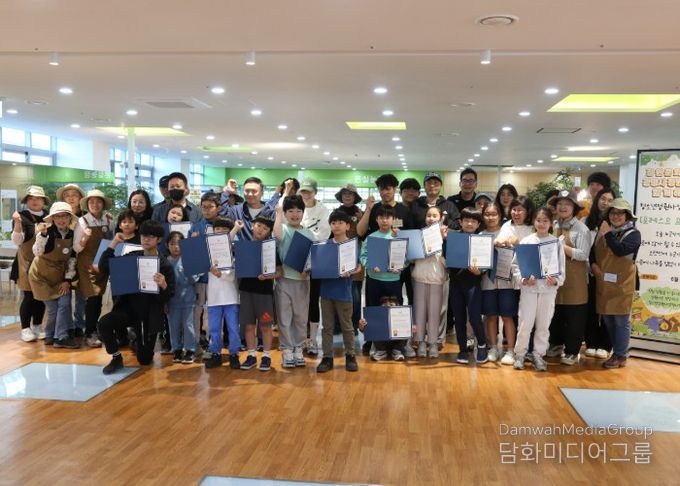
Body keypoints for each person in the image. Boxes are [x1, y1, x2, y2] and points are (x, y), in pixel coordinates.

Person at [98, 220, 175, 374]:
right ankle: (116, 357)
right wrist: (113, 243)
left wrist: (164, 285)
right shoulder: (132, 257)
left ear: (159, 239)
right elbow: (104, 266)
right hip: (128, 310)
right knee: (104, 323)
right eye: (143, 236)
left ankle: (136, 341)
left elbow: (168, 295)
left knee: (144, 359)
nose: (146, 239)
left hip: (149, 315)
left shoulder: (164, 265)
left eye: (151, 237)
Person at [513, 208, 566, 372]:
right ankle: (520, 354)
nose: (541, 224)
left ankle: (538, 354)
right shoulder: (526, 241)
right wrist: (523, 279)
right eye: (538, 220)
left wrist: (555, 280)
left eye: (545, 221)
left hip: (548, 290)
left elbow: (562, 270)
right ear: (533, 222)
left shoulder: (556, 243)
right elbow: (516, 266)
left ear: (551, 223)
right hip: (529, 289)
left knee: (543, 325)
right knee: (525, 323)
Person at [590, 199, 641, 369]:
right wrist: (593, 265)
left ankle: (620, 354)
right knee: (608, 320)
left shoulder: (634, 234)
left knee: (621, 321)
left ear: (627, 216)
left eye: (620, 213)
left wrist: (607, 234)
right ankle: (617, 353)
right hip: (604, 283)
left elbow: (620, 250)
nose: (616, 216)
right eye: (613, 213)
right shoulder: (604, 231)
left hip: (623, 285)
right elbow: (593, 252)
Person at [546, 190, 592, 366]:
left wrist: (561, 247)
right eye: (560, 204)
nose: (563, 207)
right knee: (555, 314)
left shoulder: (581, 229)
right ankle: (556, 344)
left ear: (574, 208)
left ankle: (572, 351)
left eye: (567, 204)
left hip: (574, 281)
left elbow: (583, 254)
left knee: (574, 318)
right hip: (554, 279)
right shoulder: (552, 225)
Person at [28, 202, 79, 348]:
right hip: (40, 276)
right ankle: (54, 336)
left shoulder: (72, 234)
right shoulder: (46, 232)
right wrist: (42, 235)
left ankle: (55, 336)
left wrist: (67, 280)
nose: (61, 219)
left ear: (70, 218)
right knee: (53, 309)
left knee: (64, 302)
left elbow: (72, 259)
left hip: (59, 277)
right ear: (53, 218)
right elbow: (37, 252)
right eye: (58, 216)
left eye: (64, 216)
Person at [316, 210, 362, 372]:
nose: (336, 226)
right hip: (326, 292)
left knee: (347, 326)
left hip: (344, 291)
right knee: (327, 327)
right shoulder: (324, 245)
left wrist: (352, 271)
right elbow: (319, 266)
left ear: (348, 226)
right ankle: (327, 358)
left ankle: (350, 355)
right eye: (333, 223)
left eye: (340, 223)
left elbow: (358, 266)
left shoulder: (352, 245)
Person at [360, 206, 406, 361]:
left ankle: (397, 348)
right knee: (374, 312)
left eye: (388, 217)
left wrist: (401, 267)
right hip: (374, 280)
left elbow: (406, 258)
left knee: (396, 313)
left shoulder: (398, 237)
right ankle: (378, 347)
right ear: (376, 220)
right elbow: (363, 256)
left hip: (393, 281)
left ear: (393, 220)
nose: (384, 220)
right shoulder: (371, 237)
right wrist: (370, 265)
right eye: (381, 217)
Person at [235, 216, 280, 371]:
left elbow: (280, 271)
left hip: (264, 293)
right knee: (248, 326)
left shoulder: (271, 249)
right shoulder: (243, 247)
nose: (261, 230)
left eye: (265, 228)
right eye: (259, 225)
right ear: (252, 226)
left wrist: (269, 275)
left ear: (269, 232)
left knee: (265, 326)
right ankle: (251, 355)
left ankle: (266, 356)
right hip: (246, 291)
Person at [274, 194, 314, 368]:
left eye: (298, 211)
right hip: (284, 280)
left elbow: (313, 257)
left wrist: (308, 269)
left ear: (303, 213)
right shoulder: (283, 228)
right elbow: (277, 236)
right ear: (285, 213)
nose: (295, 214)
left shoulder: (309, 233)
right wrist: (278, 214)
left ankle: (298, 347)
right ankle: (287, 349)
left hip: (303, 280)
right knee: (284, 317)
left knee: (300, 317)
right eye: (290, 211)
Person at [74, 189, 114, 348]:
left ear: (103, 204)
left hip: (102, 264)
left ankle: (94, 329)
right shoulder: (82, 222)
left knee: (98, 299)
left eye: (98, 201)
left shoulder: (108, 220)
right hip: (87, 265)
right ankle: (89, 332)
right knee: (92, 298)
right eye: (91, 202)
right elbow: (76, 248)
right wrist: (85, 238)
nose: (95, 205)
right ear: (87, 204)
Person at [449, 208, 488, 364]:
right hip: (455, 283)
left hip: (473, 283)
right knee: (459, 319)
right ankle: (462, 350)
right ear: (461, 222)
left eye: (473, 221)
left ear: (478, 224)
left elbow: (486, 263)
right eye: (466, 220)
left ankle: (482, 345)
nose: (469, 224)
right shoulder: (453, 238)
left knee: (475, 317)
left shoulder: (481, 240)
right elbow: (446, 257)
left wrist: (480, 271)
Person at [480, 202, 517, 365]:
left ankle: (511, 350)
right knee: (491, 316)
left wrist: (510, 243)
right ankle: (493, 347)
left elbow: (517, 248)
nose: (490, 217)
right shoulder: (480, 235)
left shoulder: (507, 231)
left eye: (494, 214)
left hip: (506, 281)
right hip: (487, 281)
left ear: (500, 216)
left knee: (507, 316)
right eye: (487, 214)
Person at [204, 218, 244, 369]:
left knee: (233, 328)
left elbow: (232, 275)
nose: (220, 232)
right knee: (214, 329)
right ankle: (215, 354)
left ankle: (234, 354)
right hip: (214, 298)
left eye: (224, 229)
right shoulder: (207, 251)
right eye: (217, 229)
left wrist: (220, 274)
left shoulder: (234, 252)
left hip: (231, 297)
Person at [11, 186, 49, 343]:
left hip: (45, 263)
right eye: (31, 198)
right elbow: (17, 241)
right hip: (26, 262)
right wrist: (17, 223)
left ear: (43, 201)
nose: (35, 201)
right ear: (26, 201)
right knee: (29, 296)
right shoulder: (21, 216)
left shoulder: (49, 217)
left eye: (38, 198)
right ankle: (25, 328)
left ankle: (38, 326)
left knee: (41, 296)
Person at [582, 188, 617, 359]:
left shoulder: (617, 223)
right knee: (591, 309)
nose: (606, 203)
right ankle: (591, 343)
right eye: (603, 199)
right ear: (597, 200)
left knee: (608, 309)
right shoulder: (586, 221)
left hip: (611, 274)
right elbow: (586, 248)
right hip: (590, 272)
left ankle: (605, 345)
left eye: (610, 200)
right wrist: (594, 266)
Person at [297, 178, 331, 356]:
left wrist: (304, 235)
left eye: (308, 191)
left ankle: (312, 339)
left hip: (317, 259)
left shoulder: (323, 210)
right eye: (303, 191)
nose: (305, 195)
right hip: (297, 258)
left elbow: (324, 234)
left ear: (315, 192)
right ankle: (300, 338)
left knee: (313, 299)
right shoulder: (296, 208)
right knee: (298, 300)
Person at [411, 206, 448, 359]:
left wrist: (444, 240)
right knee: (419, 312)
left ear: (440, 218)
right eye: (428, 215)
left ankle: (433, 342)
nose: (431, 218)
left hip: (436, 278)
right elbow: (411, 257)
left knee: (434, 313)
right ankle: (420, 341)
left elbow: (449, 258)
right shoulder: (418, 235)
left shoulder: (445, 235)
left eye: (434, 215)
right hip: (420, 276)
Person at [190, 191, 224, 354]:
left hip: (218, 277)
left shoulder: (224, 226)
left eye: (210, 207)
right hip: (200, 277)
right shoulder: (196, 227)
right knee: (196, 310)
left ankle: (214, 344)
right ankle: (194, 343)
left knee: (214, 312)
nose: (207, 210)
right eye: (203, 207)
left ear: (218, 208)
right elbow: (190, 252)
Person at [56, 183, 87, 337]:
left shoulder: (86, 217)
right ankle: (66, 327)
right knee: (64, 296)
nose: (71, 198)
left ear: (80, 198)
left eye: (74, 195)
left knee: (82, 296)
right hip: (62, 263)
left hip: (82, 261)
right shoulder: (57, 216)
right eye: (67, 195)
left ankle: (79, 324)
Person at [333, 183, 364, 333]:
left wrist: (362, 219)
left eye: (350, 194)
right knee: (338, 291)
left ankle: (354, 324)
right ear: (341, 196)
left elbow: (364, 234)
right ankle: (338, 324)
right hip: (338, 254)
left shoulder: (360, 213)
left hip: (356, 254)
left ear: (355, 197)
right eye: (344, 194)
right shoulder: (336, 212)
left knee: (355, 294)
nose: (347, 196)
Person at [166, 231, 198, 364]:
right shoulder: (165, 262)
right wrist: (164, 302)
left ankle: (190, 350)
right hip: (172, 301)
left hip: (188, 299)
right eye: (172, 244)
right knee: (173, 326)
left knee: (188, 325)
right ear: (167, 245)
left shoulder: (188, 259)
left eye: (179, 244)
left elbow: (194, 279)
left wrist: (189, 271)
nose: (176, 247)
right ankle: (177, 350)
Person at [219, 176, 281, 241]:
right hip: (242, 247)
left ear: (262, 193)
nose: (250, 194)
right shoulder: (236, 210)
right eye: (247, 191)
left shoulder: (271, 212)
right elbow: (223, 215)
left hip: (264, 247)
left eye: (254, 191)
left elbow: (275, 235)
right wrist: (227, 192)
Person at [356, 173, 414, 237]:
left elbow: (410, 234)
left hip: (396, 242)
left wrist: (399, 234)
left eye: (387, 189)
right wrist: (368, 209)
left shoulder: (404, 210)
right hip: (374, 242)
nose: (384, 192)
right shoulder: (373, 208)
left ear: (394, 189)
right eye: (381, 189)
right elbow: (360, 232)